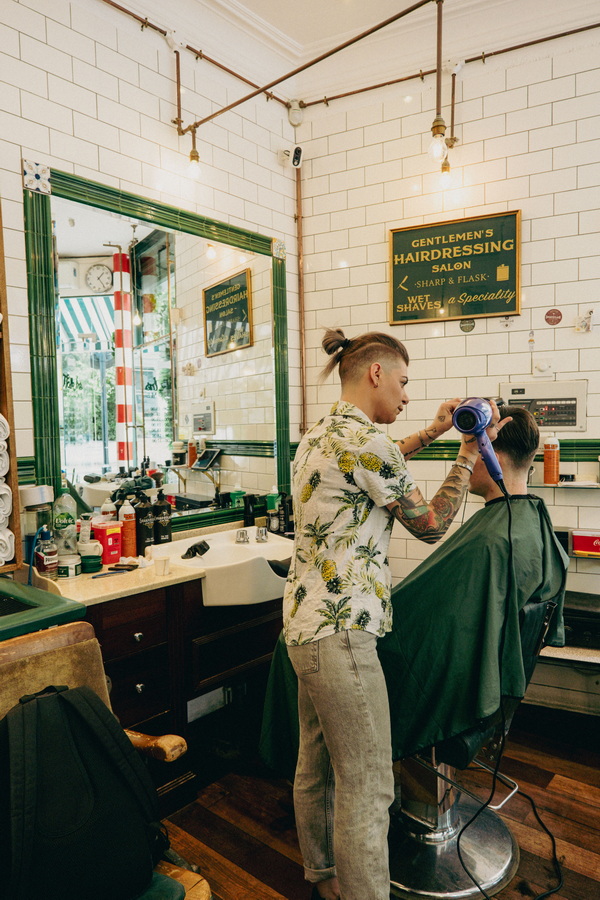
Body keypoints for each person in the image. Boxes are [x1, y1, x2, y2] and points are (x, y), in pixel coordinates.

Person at [283, 328, 502, 900]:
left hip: (303, 627)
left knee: (317, 761)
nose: (406, 396)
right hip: (342, 634)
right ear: (375, 372)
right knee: (370, 781)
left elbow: (381, 463)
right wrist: (464, 451)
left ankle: (324, 875)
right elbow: (429, 525)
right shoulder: (366, 444)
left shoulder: (320, 435)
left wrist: (432, 429)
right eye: (403, 383)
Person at [378, 405, 568, 761]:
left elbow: (429, 630)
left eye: (467, 447)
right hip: (492, 680)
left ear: (487, 452)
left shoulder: (493, 541)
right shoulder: (533, 523)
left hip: (455, 687)